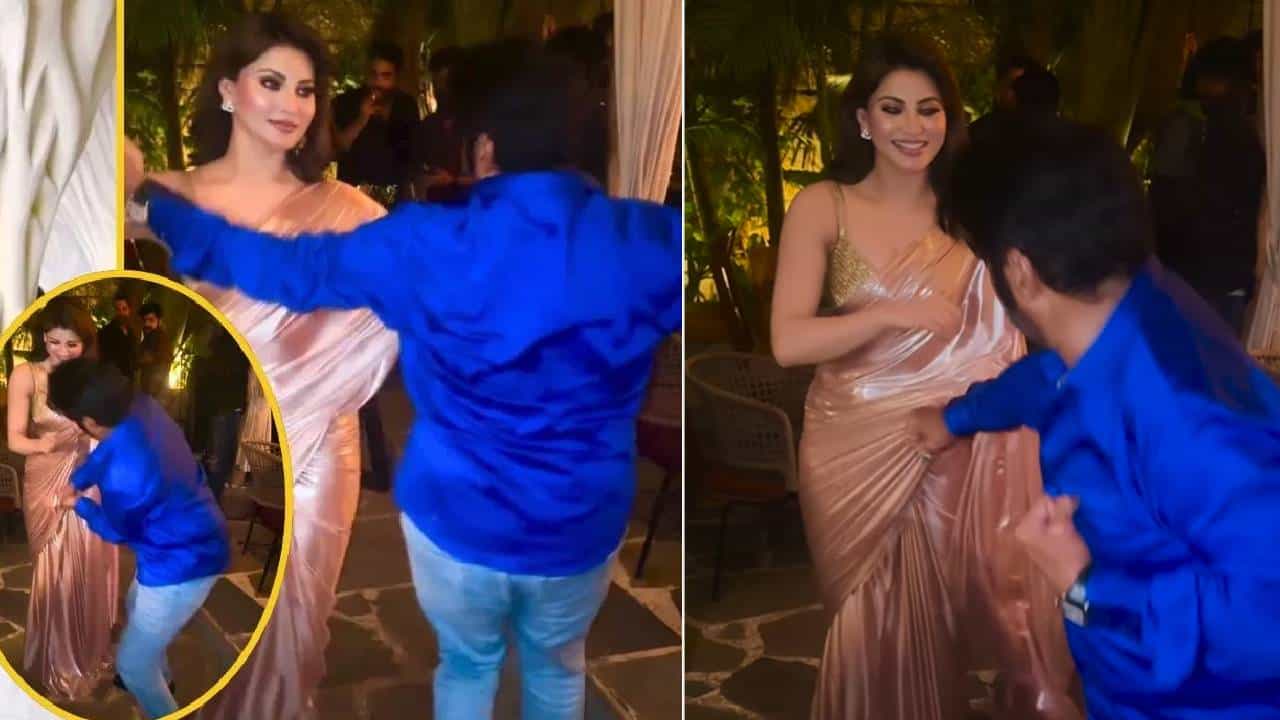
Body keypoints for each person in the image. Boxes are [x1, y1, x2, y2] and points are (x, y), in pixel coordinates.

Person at [127, 37, 679, 720]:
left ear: (482, 148)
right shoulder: (651, 240)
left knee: (468, 665)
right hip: (581, 519)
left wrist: (160, 207)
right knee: (558, 666)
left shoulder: (423, 243)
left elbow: (276, 267)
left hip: (454, 516)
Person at [906, 117, 1280, 719]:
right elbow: (1045, 379)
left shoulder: (1183, 417)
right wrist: (956, 419)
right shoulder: (1132, 305)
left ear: (1019, 272)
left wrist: (1084, 586)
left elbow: (1265, 617)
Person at [768, 35, 1079, 719]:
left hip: (957, 443)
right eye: (893, 109)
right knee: (870, 628)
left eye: (929, 109)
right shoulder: (824, 205)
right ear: (863, 120)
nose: (913, 127)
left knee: (948, 620)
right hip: (853, 442)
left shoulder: (971, 214)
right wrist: (892, 312)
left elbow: (1031, 320)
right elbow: (789, 342)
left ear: (950, 119)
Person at [125, 13, 399, 719]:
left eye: (305, 90)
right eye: (271, 82)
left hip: (324, 445)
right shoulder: (168, 195)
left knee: (302, 614)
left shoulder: (347, 210)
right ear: (227, 90)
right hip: (227, 405)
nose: (290, 104)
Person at [47, 358, 230, 719]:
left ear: (88, 422)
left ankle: (156, 692)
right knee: (134, 604)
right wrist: (79, 480)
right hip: (195, 528)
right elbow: (109, 449)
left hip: (181, 564)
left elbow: (117, 531)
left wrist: (79, 504)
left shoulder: (126, 478)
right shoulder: (141, 406)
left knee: (131, 666)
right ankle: (165, 677)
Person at [3, 298, 119, 701]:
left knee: (86, 565)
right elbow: (14, 438)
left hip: (86, 478)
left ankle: (86, 652)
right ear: (43, 338)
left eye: (72, 344)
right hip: (44, 480)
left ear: (85, 344)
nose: (63, 352)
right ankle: (55, 659)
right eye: (54, 342)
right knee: (54, 570)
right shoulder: (26, 376)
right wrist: (42, 444)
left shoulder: (91, 377)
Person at [1150, 37, 1265, 334]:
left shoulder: (1205, 126)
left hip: (1197, 276)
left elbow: (1162, 201)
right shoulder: (1212, 129)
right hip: (1212, 278)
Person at [332, 41, 420, 193]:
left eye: (386, 76)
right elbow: (336, 149)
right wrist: (361, 120)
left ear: (397, 77)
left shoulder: (406, 106)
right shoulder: (345, 103)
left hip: (394, 198)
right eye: (373, 74)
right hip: (351, 195)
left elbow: (413, 157)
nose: (378, 83)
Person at [97, 291, 139, 384]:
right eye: (118, 309)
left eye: (124, 309)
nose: (121, 313)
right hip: (112, 382)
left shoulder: (131, 333)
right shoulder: (106, 332)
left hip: (129, 382)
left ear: (129, 310)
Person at [137, 302, 173, 400]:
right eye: (144, 320)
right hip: (150, 394)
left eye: (151, 320)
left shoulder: (159, 339)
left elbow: (156, 363)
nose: (147, 324)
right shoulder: (149, 338)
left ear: (159, 321)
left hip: (153, 395)